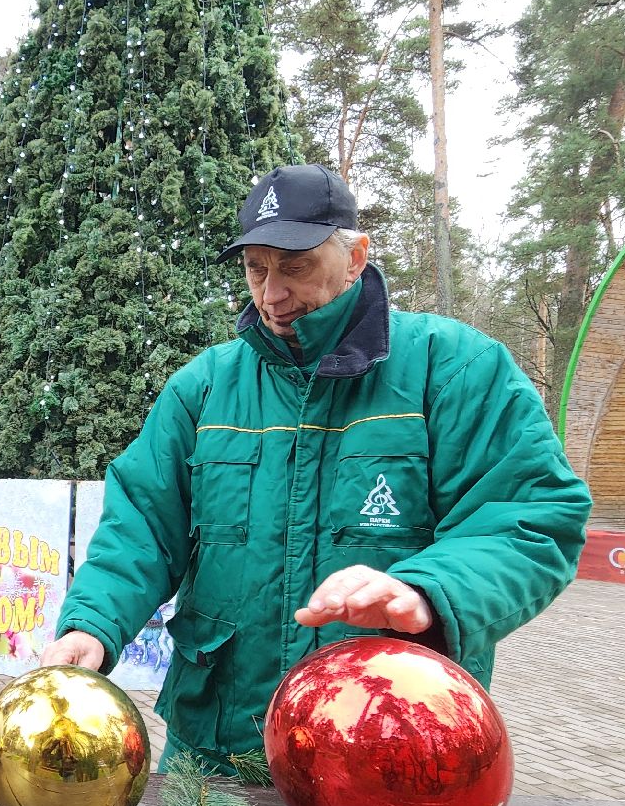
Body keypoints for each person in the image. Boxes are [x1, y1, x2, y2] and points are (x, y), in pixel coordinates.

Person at [42, 164, 592, 771]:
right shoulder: (203, 389)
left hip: (386, 754)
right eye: (256, 268)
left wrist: (427, 588)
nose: (271, 293)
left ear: (356, 257)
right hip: (215, 751)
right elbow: (142, 525)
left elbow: (530, 519)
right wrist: (93, 624)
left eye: (295, 266)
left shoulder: (456, 369)